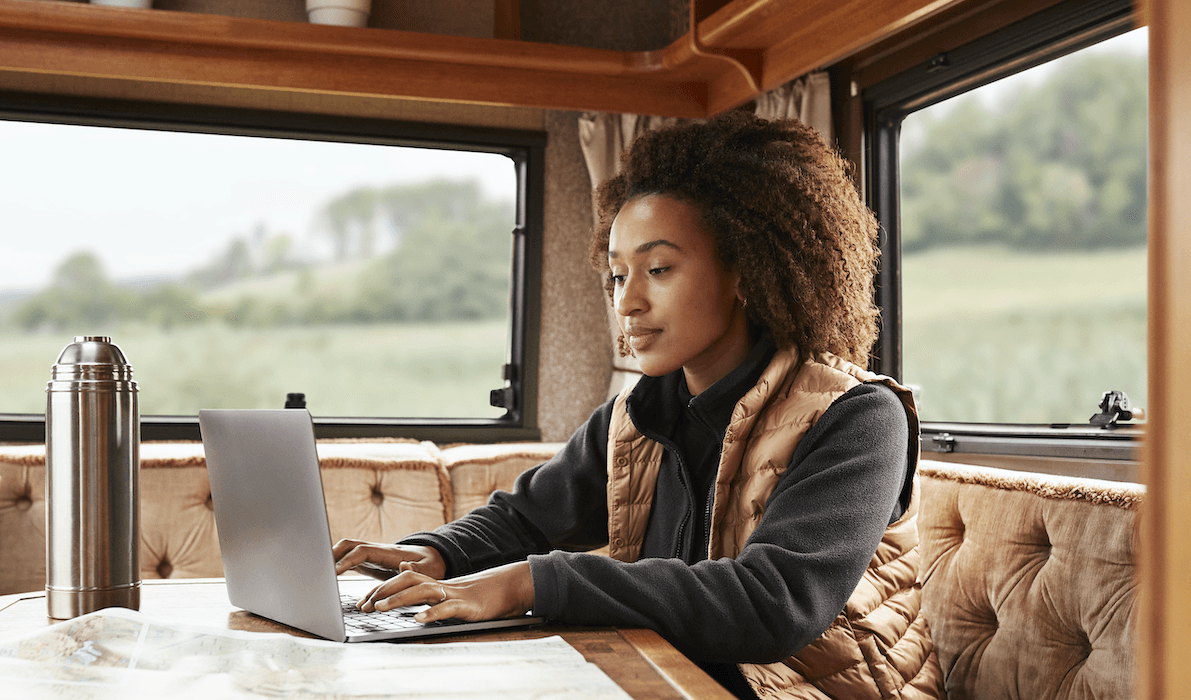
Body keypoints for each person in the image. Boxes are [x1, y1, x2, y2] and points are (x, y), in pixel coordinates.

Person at [333, 111, 920, 699]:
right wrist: (435, 552)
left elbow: (772, 603)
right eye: (617, 276)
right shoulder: (636, 415)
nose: (627, 302)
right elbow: (528, 517)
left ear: (745, 271)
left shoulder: (860, 418)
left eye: (658, 269)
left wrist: (529, 584)